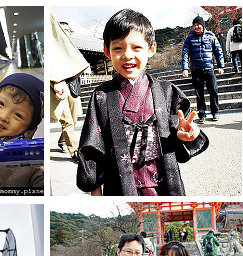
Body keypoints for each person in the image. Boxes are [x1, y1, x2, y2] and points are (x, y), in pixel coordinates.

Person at [77, 9, 209, 196]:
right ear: (107, 51)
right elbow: (92, 146)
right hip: (120, 186)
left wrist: (185, 136)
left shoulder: (166, 91)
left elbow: (180, 137)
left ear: (151, 48)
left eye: (136, 47)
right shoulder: (102, 96)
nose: (127, 55)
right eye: (118, 48)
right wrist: (95, 190)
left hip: (163, 184)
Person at [50, 11, 90, 160]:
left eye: (68, 31)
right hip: (58, 90)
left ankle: (62, 141)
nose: (66, 33)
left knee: (72, 121)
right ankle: (75, 151)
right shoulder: (53, 50)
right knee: (67, 122)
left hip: (73, 90)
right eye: (63, 31)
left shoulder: (73, 49)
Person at [181, 16, 225, 123]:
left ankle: (215, 112)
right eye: (194, 25)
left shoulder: (211, 36)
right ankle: (202, 114)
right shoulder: (189, 38)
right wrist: (185, 68)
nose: (196, 27)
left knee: (213, 91)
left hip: (209, 68)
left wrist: (220, 66)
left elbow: (218, 51)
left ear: (202, 25)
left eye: (198, 25)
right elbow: (185, 53)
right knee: (199, 93)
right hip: (196, 70)